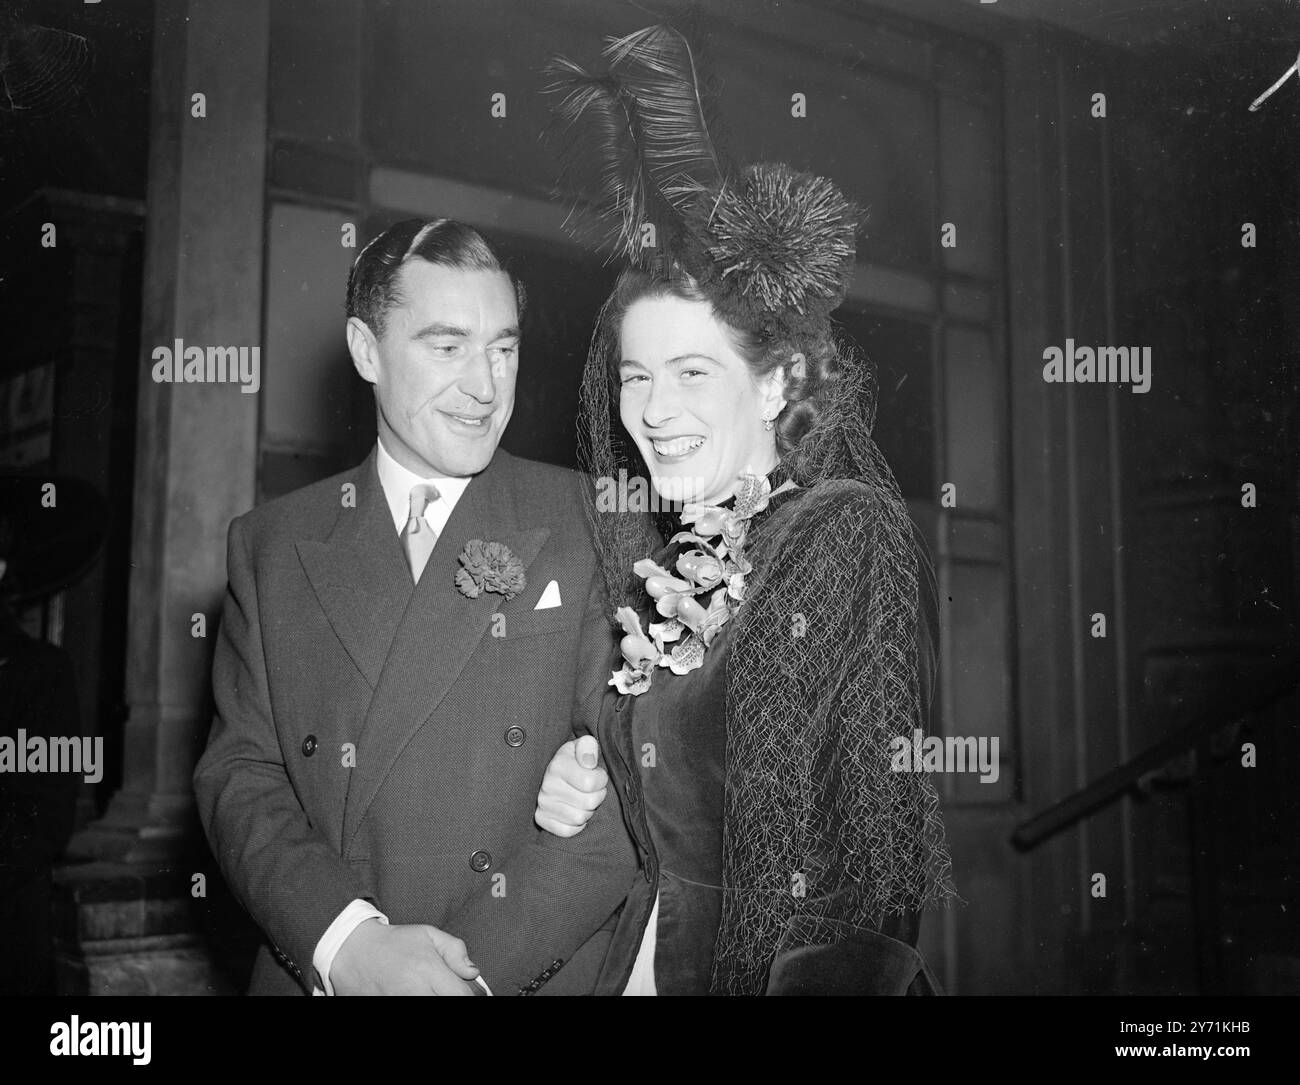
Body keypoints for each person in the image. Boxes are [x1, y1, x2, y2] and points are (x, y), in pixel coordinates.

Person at [531, 25, 957, 995]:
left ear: (772, 388)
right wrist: (578, 786)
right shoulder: (683, 555)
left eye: (692, 371)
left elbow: (864, 886)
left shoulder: (833, 536)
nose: (653, 408)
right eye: (636, 375)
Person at [193, 218, 636, 996]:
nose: (485, 385)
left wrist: (463, 975)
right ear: (367, 350)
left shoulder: (595, 518)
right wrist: (348, 944)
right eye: (447, 346)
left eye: (504, 347)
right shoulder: (272, 544)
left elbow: (628, 798)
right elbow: (241, 775)